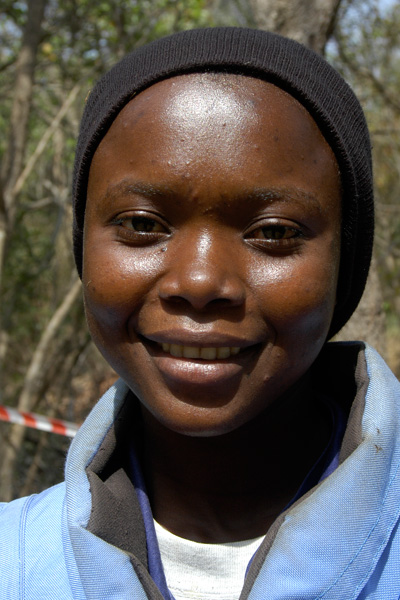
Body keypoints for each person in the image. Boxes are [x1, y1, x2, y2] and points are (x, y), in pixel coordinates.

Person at [1, 26, 400, 600]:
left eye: (274, 232)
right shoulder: (13, 563)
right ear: (82, 247)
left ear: (346, 262)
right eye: (142, 224)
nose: (199, 282)